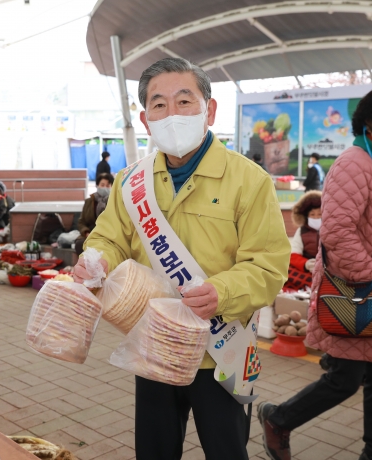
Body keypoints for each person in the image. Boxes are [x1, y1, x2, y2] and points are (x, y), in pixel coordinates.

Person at [74, 57, 290, 460]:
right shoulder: (130, 180)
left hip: (224, 348)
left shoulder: (249, 180)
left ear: (209, 109)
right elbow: (110, 237)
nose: (172, 114)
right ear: (145, 119)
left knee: (227, 451)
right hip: (155, 343)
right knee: (154, 451)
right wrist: (96, 259)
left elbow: (269, 265)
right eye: (159, 105)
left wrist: (221, 292)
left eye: (184, 101)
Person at [258, 85, 372, 460]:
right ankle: (278, 419)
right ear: (369, 122)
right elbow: (338, 233)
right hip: (359, 293)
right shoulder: (354, 163)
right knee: (346, 380)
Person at [283, 191, 321, 292]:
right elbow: (294, 254)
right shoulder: (301, 231)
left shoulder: (332, 230)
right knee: (284, 272)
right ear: (306, 216)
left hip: (327, 269)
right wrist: (306, 264)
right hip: (306, 268)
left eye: (319, 214)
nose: (316, 217)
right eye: (312, 214)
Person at [74, 172, 113, 255]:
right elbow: (81, 222)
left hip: (108, 235)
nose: (105, 188)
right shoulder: (89, 202)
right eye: (102, 185)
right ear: (97, 185)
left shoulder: (114, 202)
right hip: (91, 233)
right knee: (80, 244)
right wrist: (86, 232)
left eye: (108, 185)